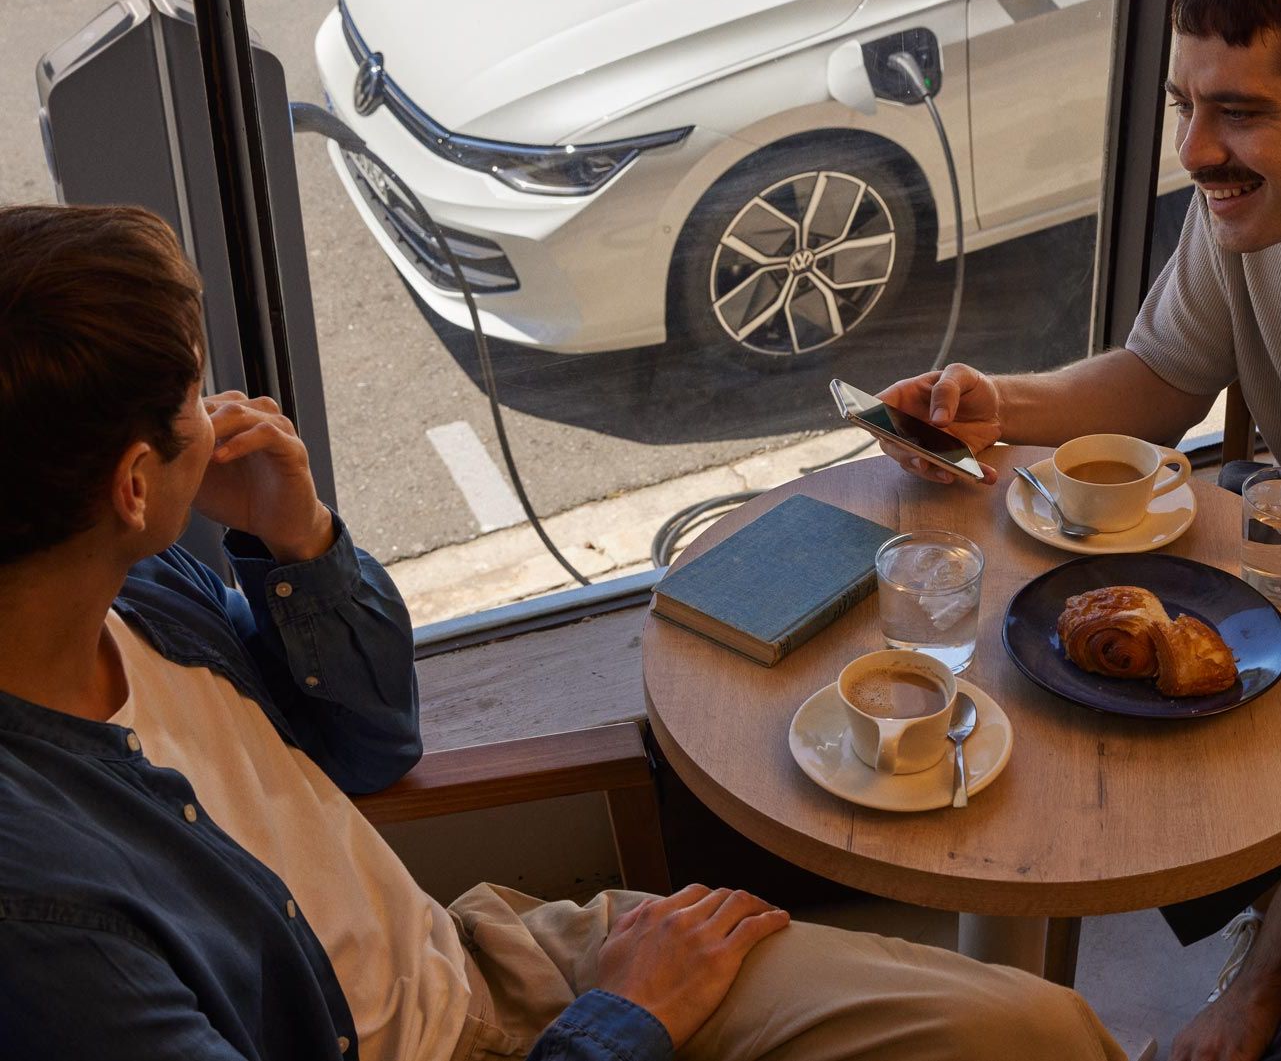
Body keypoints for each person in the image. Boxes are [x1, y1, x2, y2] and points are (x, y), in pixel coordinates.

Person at [0, 202, 1124, 1059]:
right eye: (197, 395)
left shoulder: (143, 599)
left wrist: (300, 543)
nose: (226, 407)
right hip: (553, 1027)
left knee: (1041, 1031)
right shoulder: (47, 921)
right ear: (134, 486)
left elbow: (371, 747)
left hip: (501, 962)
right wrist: (625, 1016)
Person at [877, 0, 1281, 1061]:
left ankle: (1256, 991)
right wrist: (994, 407)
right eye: (1185, 107)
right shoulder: (1246, 217)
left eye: (1241, 113)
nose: (1196, 152)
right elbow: (1159, 381)